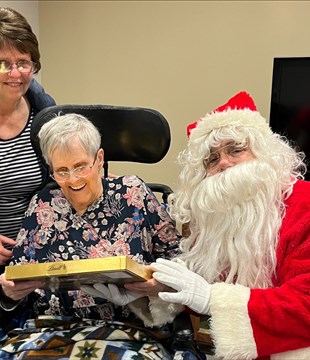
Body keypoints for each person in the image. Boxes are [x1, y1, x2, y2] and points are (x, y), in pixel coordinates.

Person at [0, 113, 192, 359]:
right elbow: (17, 278)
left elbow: (177, 258)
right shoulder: (42, 205)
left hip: (129, 334)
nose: (73, 179)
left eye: (80, 166)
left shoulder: (132, 193)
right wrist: (9, 293)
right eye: (62, 171)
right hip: (50, 332)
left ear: (99, 159)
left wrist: (158, 285)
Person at [147, 91, 310, 359]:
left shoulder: (305, 203)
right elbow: (202, 294)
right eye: (212, 159)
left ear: (264, 153)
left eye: (236, 149)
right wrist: (161, 290)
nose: (223, 163)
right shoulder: (216, 217)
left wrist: (212, 299)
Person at [0, 6, 56, 265]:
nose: (15, 73)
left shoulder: (44, 110)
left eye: (23, 63)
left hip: (37, 252)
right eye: (3, 64)